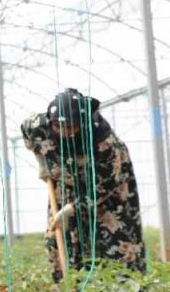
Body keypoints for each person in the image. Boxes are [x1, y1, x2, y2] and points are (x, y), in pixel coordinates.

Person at [21, 88, 145, 282]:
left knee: (116, 242)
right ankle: (69, 289)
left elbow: (104, 185)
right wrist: (42, 164)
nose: (63, 132)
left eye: (70, 127)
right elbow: (27, 132)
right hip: (66, 183)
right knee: (60, 237)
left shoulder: (106, 144)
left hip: (107, 192)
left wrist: (72, 208)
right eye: (58, 127)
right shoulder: (39, 126)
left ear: (82, 123)